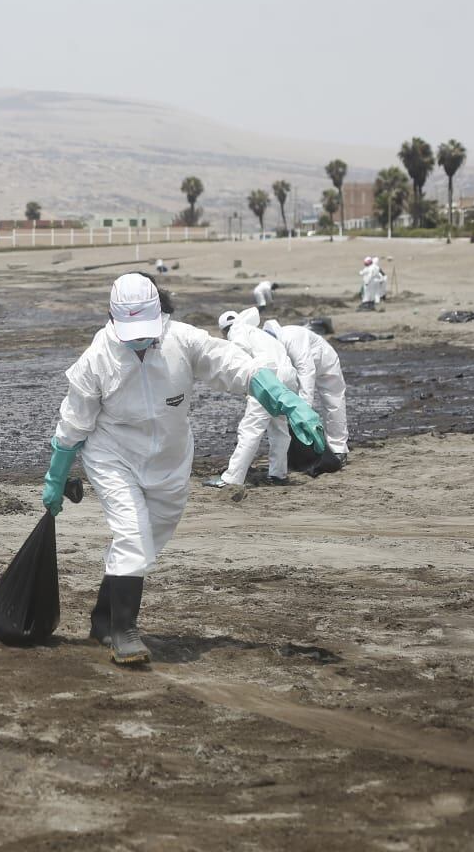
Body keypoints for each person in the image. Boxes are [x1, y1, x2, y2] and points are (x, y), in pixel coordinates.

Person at [41, 274, 324, 665]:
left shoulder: (183, 340)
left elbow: (237, 366)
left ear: (161, 314)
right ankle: (124, 632)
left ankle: (103, 619)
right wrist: (56, 478)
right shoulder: (97, 360)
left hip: (170, 460)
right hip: (113, 457)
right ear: (112, 318)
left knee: (149, 539)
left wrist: (287, 401)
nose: (140, 340)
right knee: (132, 535)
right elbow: (73, 424)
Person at [204, 307, 299, 488]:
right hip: (287, 377)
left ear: (225, 330)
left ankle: (232, 479)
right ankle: (278, 474)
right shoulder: (259, 333)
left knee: (250, 429)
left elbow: (238, 352)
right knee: (279, 428)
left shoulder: (236, 330)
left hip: (268, 376)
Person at [263, 319, 349, 466]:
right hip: (298, 368)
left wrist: (304, 410)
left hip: (325, 361)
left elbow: (306, 371)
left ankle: (338, 448)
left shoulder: (292, 337)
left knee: (333, 402)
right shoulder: (271, 347)